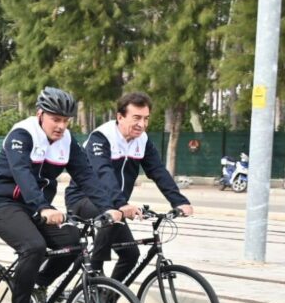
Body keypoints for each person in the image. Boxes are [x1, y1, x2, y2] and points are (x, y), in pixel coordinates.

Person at [0, 87, 123, 303]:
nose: (60, 126)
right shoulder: (22, 134)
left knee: (72, 243)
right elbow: (23, 174)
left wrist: (109, 207)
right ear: (40, 114)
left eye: (65, 121)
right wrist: (43, 206)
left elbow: (87, 177)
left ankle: (39, 283)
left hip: (37, 208)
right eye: (55, 119)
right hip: (3, 205)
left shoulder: (67, 141)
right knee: (34, 246)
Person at [65, 91, 193, 291]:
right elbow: (103, 173)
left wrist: (178, 201)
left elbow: (157, 171)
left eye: (145, 119)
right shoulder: (102, 137)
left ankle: (109, 302)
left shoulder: (142, 141)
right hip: (82, 199)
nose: (141, 124)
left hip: (114, 204)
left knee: (130, 255)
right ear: (120, 117)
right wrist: (121, 204)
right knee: (112, 218)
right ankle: (93, 277)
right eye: (136, 118)